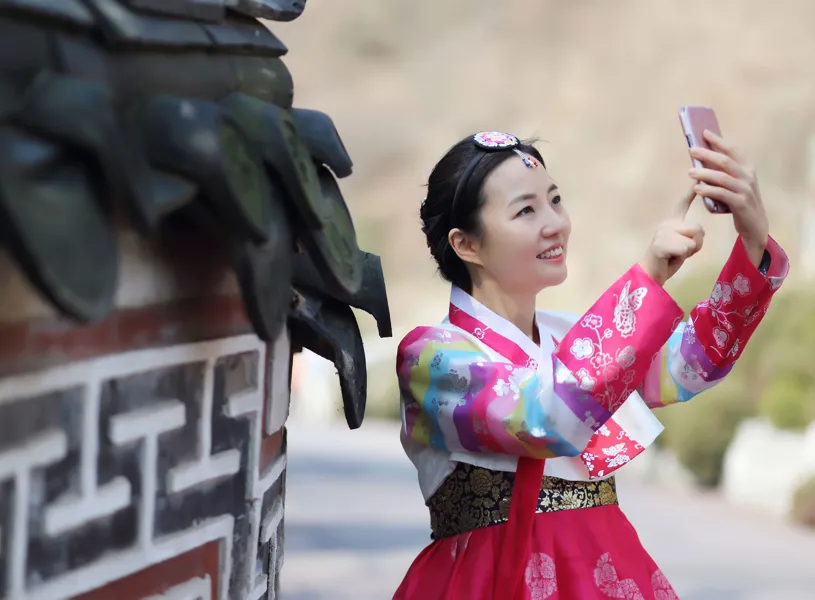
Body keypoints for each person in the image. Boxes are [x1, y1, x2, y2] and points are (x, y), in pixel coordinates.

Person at [393, 130, 789, 599]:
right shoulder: (432, 358)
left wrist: (752, 243)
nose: (555, 224)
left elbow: (690, 365)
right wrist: (648, 279)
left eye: (555, 200)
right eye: (526, 211)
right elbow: (544, 417)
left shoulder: (573, 338)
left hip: (604, 572)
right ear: (466, 245)